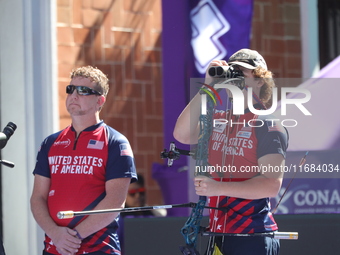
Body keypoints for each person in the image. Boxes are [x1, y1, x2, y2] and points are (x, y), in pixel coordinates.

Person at [173, 49, 288, 255]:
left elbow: (271, 185)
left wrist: (217, 188)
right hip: (218, 234)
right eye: (231, 71)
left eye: (241, 72)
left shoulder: (268, 124)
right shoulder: (217, 119)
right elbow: (182, 135)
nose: (234, 76)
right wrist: (209, 85)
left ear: (260, 81)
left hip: (252, 236)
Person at [30, 66, 137, 255]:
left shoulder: (115, 142)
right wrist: (55, 233)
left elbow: (115, 202)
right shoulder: (50, 142)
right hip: (55, 246)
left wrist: (74, 237)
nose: (74, 95)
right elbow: (38, 197)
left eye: (83, 91)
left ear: (100, 100)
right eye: (70, 89)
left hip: (98, 248)